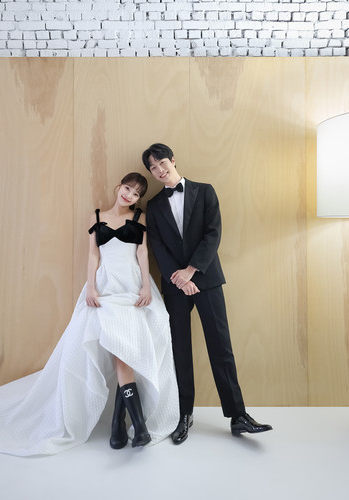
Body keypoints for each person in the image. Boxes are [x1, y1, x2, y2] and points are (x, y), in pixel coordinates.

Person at [0, 172, 179, 456]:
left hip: (131, 288)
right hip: (105, 287)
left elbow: (142, 253)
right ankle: (130, 426)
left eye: (136, 194)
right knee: (119, 350)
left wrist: (145, 285)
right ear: (119, 186)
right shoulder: (97, 216)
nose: (129, 195)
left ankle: (123, 425)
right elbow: (93, 254)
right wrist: (91, 286)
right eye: (127, 188)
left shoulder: (139, 218)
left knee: (126, 350)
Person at [142, 143, 272, 445]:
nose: (159, 170)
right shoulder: (154, 206)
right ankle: (183, 415)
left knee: (220, 346)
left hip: (206, 279)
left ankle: (238, 416)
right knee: (179, 350)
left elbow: (213, 234)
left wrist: (191, 271)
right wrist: (179, 278)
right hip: (175, 285)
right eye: (153, 168)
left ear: (173, 160)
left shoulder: (205, 191)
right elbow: (157, 247)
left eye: (162, 163)